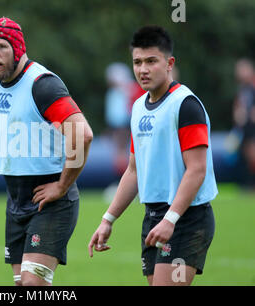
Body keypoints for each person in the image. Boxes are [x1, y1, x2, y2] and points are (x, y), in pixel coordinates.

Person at [88, 26, 218, 286]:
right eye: (137, 62)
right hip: (153, 217)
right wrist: (107, 220)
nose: (143, 69)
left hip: (186, 218)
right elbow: (134, 171)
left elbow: (196, 170)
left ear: (169, 63)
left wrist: (171, 219)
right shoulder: (137, 107)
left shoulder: (186, 105)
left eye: (151, 61)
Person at [0, 17, 93, 286]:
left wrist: (62, 186)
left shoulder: (42, 84)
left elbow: (82, 134)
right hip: (16, 198)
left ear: (18, 48)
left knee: (34, 285)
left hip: (50, 200)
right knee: (22, 285)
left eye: (0, 47)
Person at [232, 58, 255, 189]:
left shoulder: (252, 86)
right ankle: (248, 185)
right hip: (244, 128)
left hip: (252, 127)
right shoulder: (242, 88)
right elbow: (238, 105)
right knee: (246, 156)